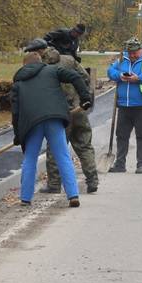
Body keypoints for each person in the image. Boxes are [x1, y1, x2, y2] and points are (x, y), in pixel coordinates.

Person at [11, 51, 93, 207]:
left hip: (31, 123)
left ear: (24, 65)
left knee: (30, 158)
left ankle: (25, 198)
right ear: (40, 61)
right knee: (62, 156)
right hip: (54, 119)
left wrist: (18, 134)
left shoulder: (18, 82)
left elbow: (15, 112)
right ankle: (73, 195)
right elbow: (76, 76)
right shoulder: (52, 70)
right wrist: (85, 98)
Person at [40, 47, 98, 194]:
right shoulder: (70, 60)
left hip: (59, 113)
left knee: (55, 148)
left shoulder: (44, 68)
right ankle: (92, 180)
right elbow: (85, 77)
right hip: (78, 110)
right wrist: (84, 97)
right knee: (84, 145)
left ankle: (54, 184)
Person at [106, 37, 142, 174]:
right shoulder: (122, 58)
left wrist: (139, 78)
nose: (131, 56)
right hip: (124, 105)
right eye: (129, 53)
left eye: (134, 53)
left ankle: (141, 165)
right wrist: (120, 76)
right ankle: (120, 164)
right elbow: (110, 71)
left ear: (140, 50)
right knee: (121, 135)